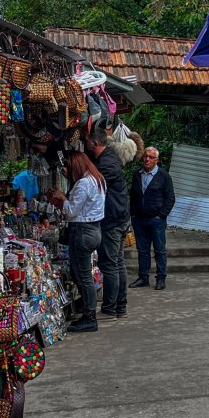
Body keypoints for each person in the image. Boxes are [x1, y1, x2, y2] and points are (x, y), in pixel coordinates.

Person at [52, 151, 105, 333]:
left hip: (83, 232)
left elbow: (72, 211)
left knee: (83, 276)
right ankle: (87, 310)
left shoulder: (83, 184)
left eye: (66, 166)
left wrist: (62, 199)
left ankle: (90, 316)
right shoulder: (97, 179)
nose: (64, 171)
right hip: (93, 229)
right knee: (81, 274)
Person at [87, 124, 129, 319]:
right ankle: (119, 307)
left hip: (113, 221)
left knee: (111, 264)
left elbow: (95, 183)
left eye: (87, 142)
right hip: (118, 218)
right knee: (117, 263)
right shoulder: (109, 158)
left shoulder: (107, 164)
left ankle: (112, 308)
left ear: (94, 143)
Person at [129, 146, 175, 290]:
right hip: (139, 220)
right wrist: (133, 214)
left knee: (159, 250)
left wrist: (161, 215)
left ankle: (161, 278)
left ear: (157, 160)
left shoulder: (164, 176)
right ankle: (143, 277)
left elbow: (170, 198)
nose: (147, 159)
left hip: (156, 220)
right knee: (142, 250)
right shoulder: (137, 175)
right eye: (145, 156)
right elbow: (133, 196)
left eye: (150, 157)